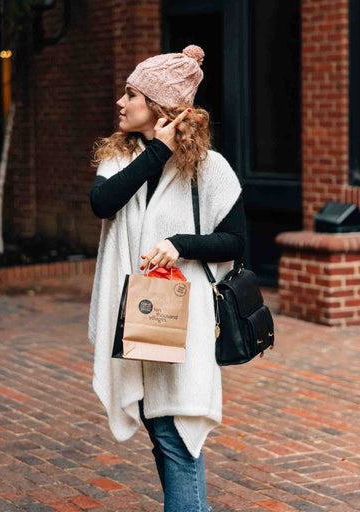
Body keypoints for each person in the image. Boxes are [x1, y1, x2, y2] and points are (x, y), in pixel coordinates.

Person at [87, 45, 246, 512]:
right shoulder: (121, 158)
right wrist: (158, 150)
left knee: (178, 435)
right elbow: (103, 202)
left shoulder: (209, 169)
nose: (120, 101)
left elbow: (235, 242)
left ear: (157, 107)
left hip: (187, 316)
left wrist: (182, 243)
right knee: (162, 431)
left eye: (131, 93)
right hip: (139, 315)